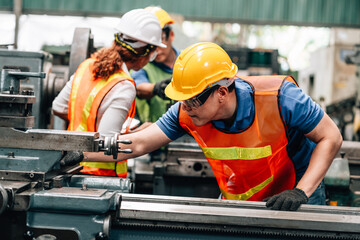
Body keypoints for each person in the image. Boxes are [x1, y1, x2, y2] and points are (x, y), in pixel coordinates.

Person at [77, 42, 343, 211]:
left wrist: (301, 192)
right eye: (182, 100)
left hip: (295, 197)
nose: (187, 107)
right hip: (241, 200)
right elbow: (139, 143)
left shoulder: (280, 97)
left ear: (222, 92)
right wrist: (79, 153)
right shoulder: (187, 112)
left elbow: (330, 137)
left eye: (193, 100)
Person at [52, 8, 166, 177]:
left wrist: (89, 126)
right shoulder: (124, 85)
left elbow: (59, 107)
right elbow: (106, 145)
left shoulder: (87, 66)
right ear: (144, 52)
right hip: (98, 177)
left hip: (69, 169)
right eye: (153, 53)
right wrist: (142, 132)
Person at [131, 6, 180, 161]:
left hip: (186, 140)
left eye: (160, 41)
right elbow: (139, 88)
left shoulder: (187, 61)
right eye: (150, 44)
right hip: (154, 143)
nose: (156, 50)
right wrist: (156, 88)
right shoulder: (143, 65)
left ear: (170, 35)